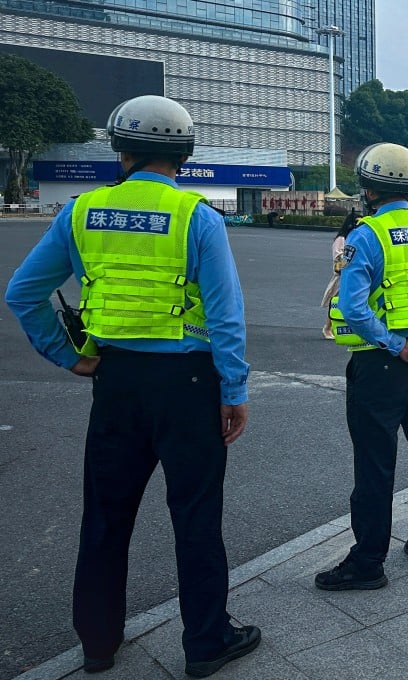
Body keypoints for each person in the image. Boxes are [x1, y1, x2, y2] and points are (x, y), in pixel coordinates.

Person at [3, 95, 259, 677]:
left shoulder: (80, 212)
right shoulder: (199, 218)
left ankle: (97, 643)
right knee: (195, 515)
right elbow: (225, 317)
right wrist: (234, 391)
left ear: (120, 150)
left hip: (114, 381)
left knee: (105, 515)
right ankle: (205, 643)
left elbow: (22, 293)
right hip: (189, 385)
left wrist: (69, 356)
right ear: (185, 156)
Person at [316, 142, 408, 591]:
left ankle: (367, 562)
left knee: (376, 465)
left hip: (379, 366)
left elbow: (353, 307)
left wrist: (396, 346)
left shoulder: (367, 235)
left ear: (368, 188)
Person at [321, 210, 360, 339]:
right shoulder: (341, 238)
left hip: (352, 274)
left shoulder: (356, 237)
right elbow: (338, 258)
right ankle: (327, 328)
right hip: (342, 276)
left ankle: (338, 328)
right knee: (336, 303)